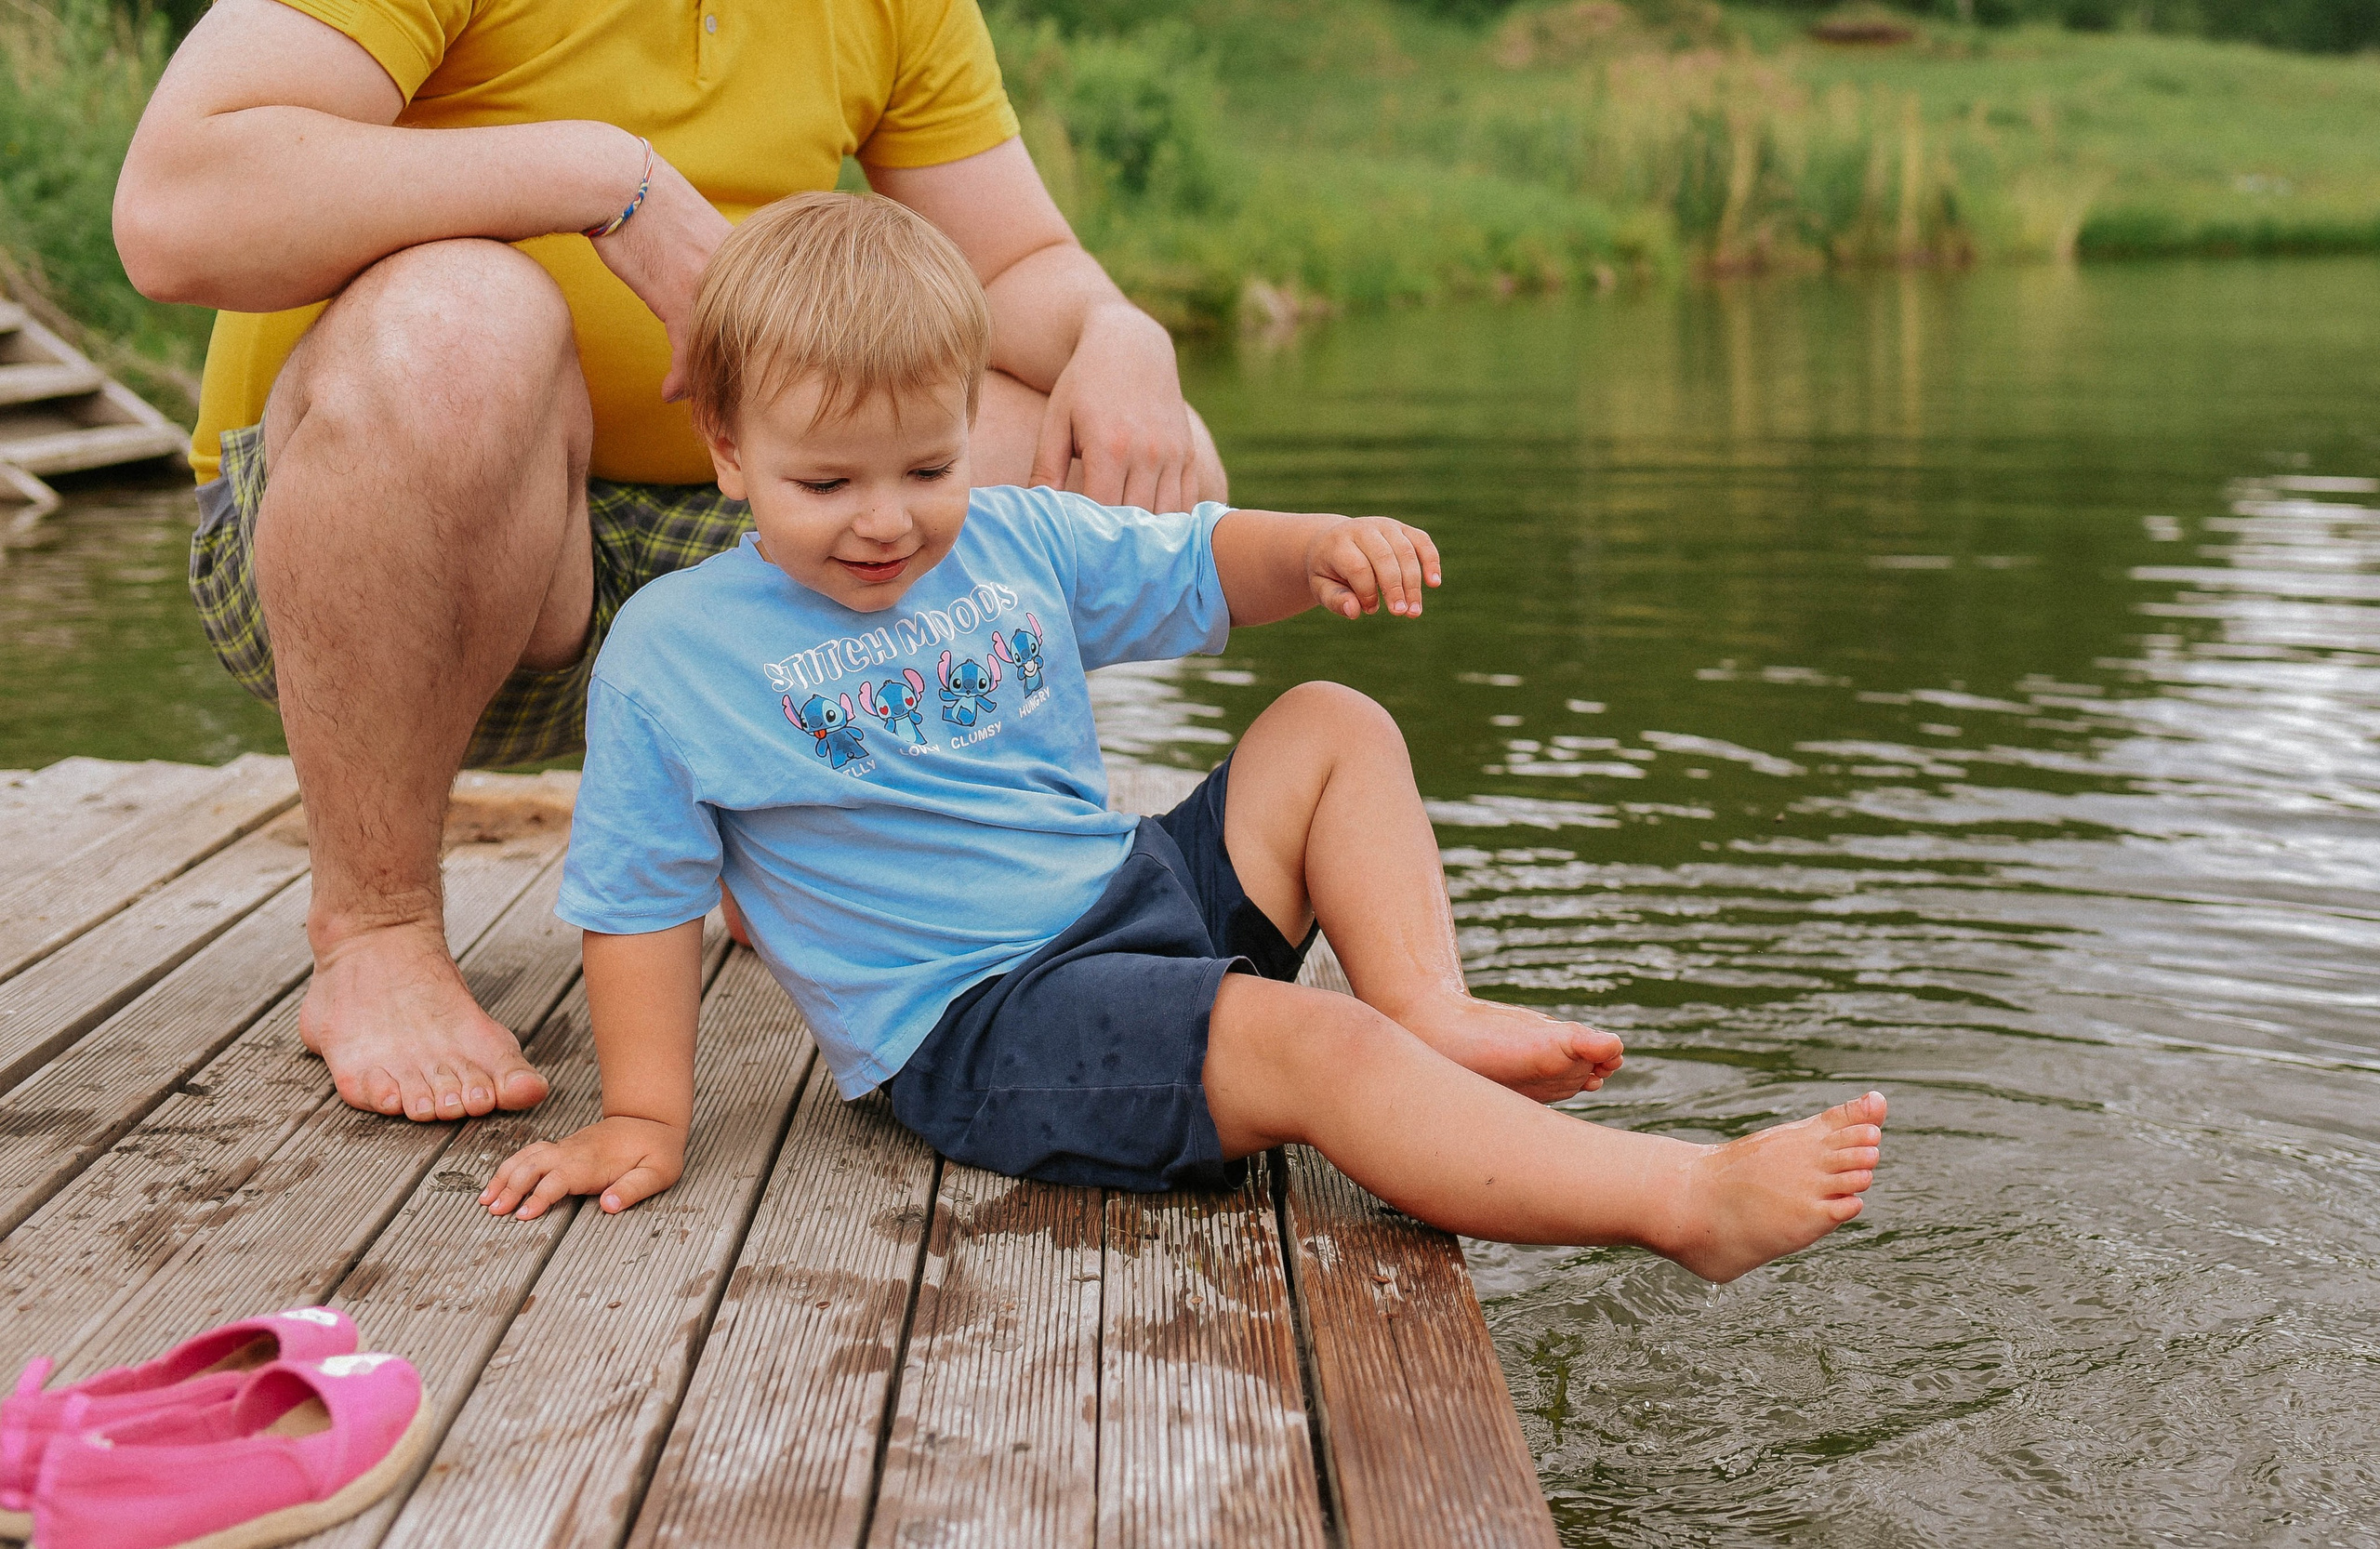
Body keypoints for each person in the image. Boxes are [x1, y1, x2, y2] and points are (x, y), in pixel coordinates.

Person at [476, 193, 1887, 1280]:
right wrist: (648, 1118)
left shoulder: (1013, 539)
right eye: (825, 479)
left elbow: (1196, 559)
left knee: (1329, 724)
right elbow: (640, 902)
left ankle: (1431, 1007)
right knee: (1302, 1046)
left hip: (1129, 893)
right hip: (979, 1016)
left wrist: (1316, 546)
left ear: (973, 427)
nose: (886, 518)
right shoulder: (675, 650)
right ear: (727, 448)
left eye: (928, 465)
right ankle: (1682, 1200)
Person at [112, 0, 1223, 1127]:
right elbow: (174, 209)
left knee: (1118, 468)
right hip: (376, 537)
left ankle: (804, 831)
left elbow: (1016, 260)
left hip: (734, 533)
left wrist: (1118, 334)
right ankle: (378, 928)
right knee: (458, 325)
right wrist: (603, 179)